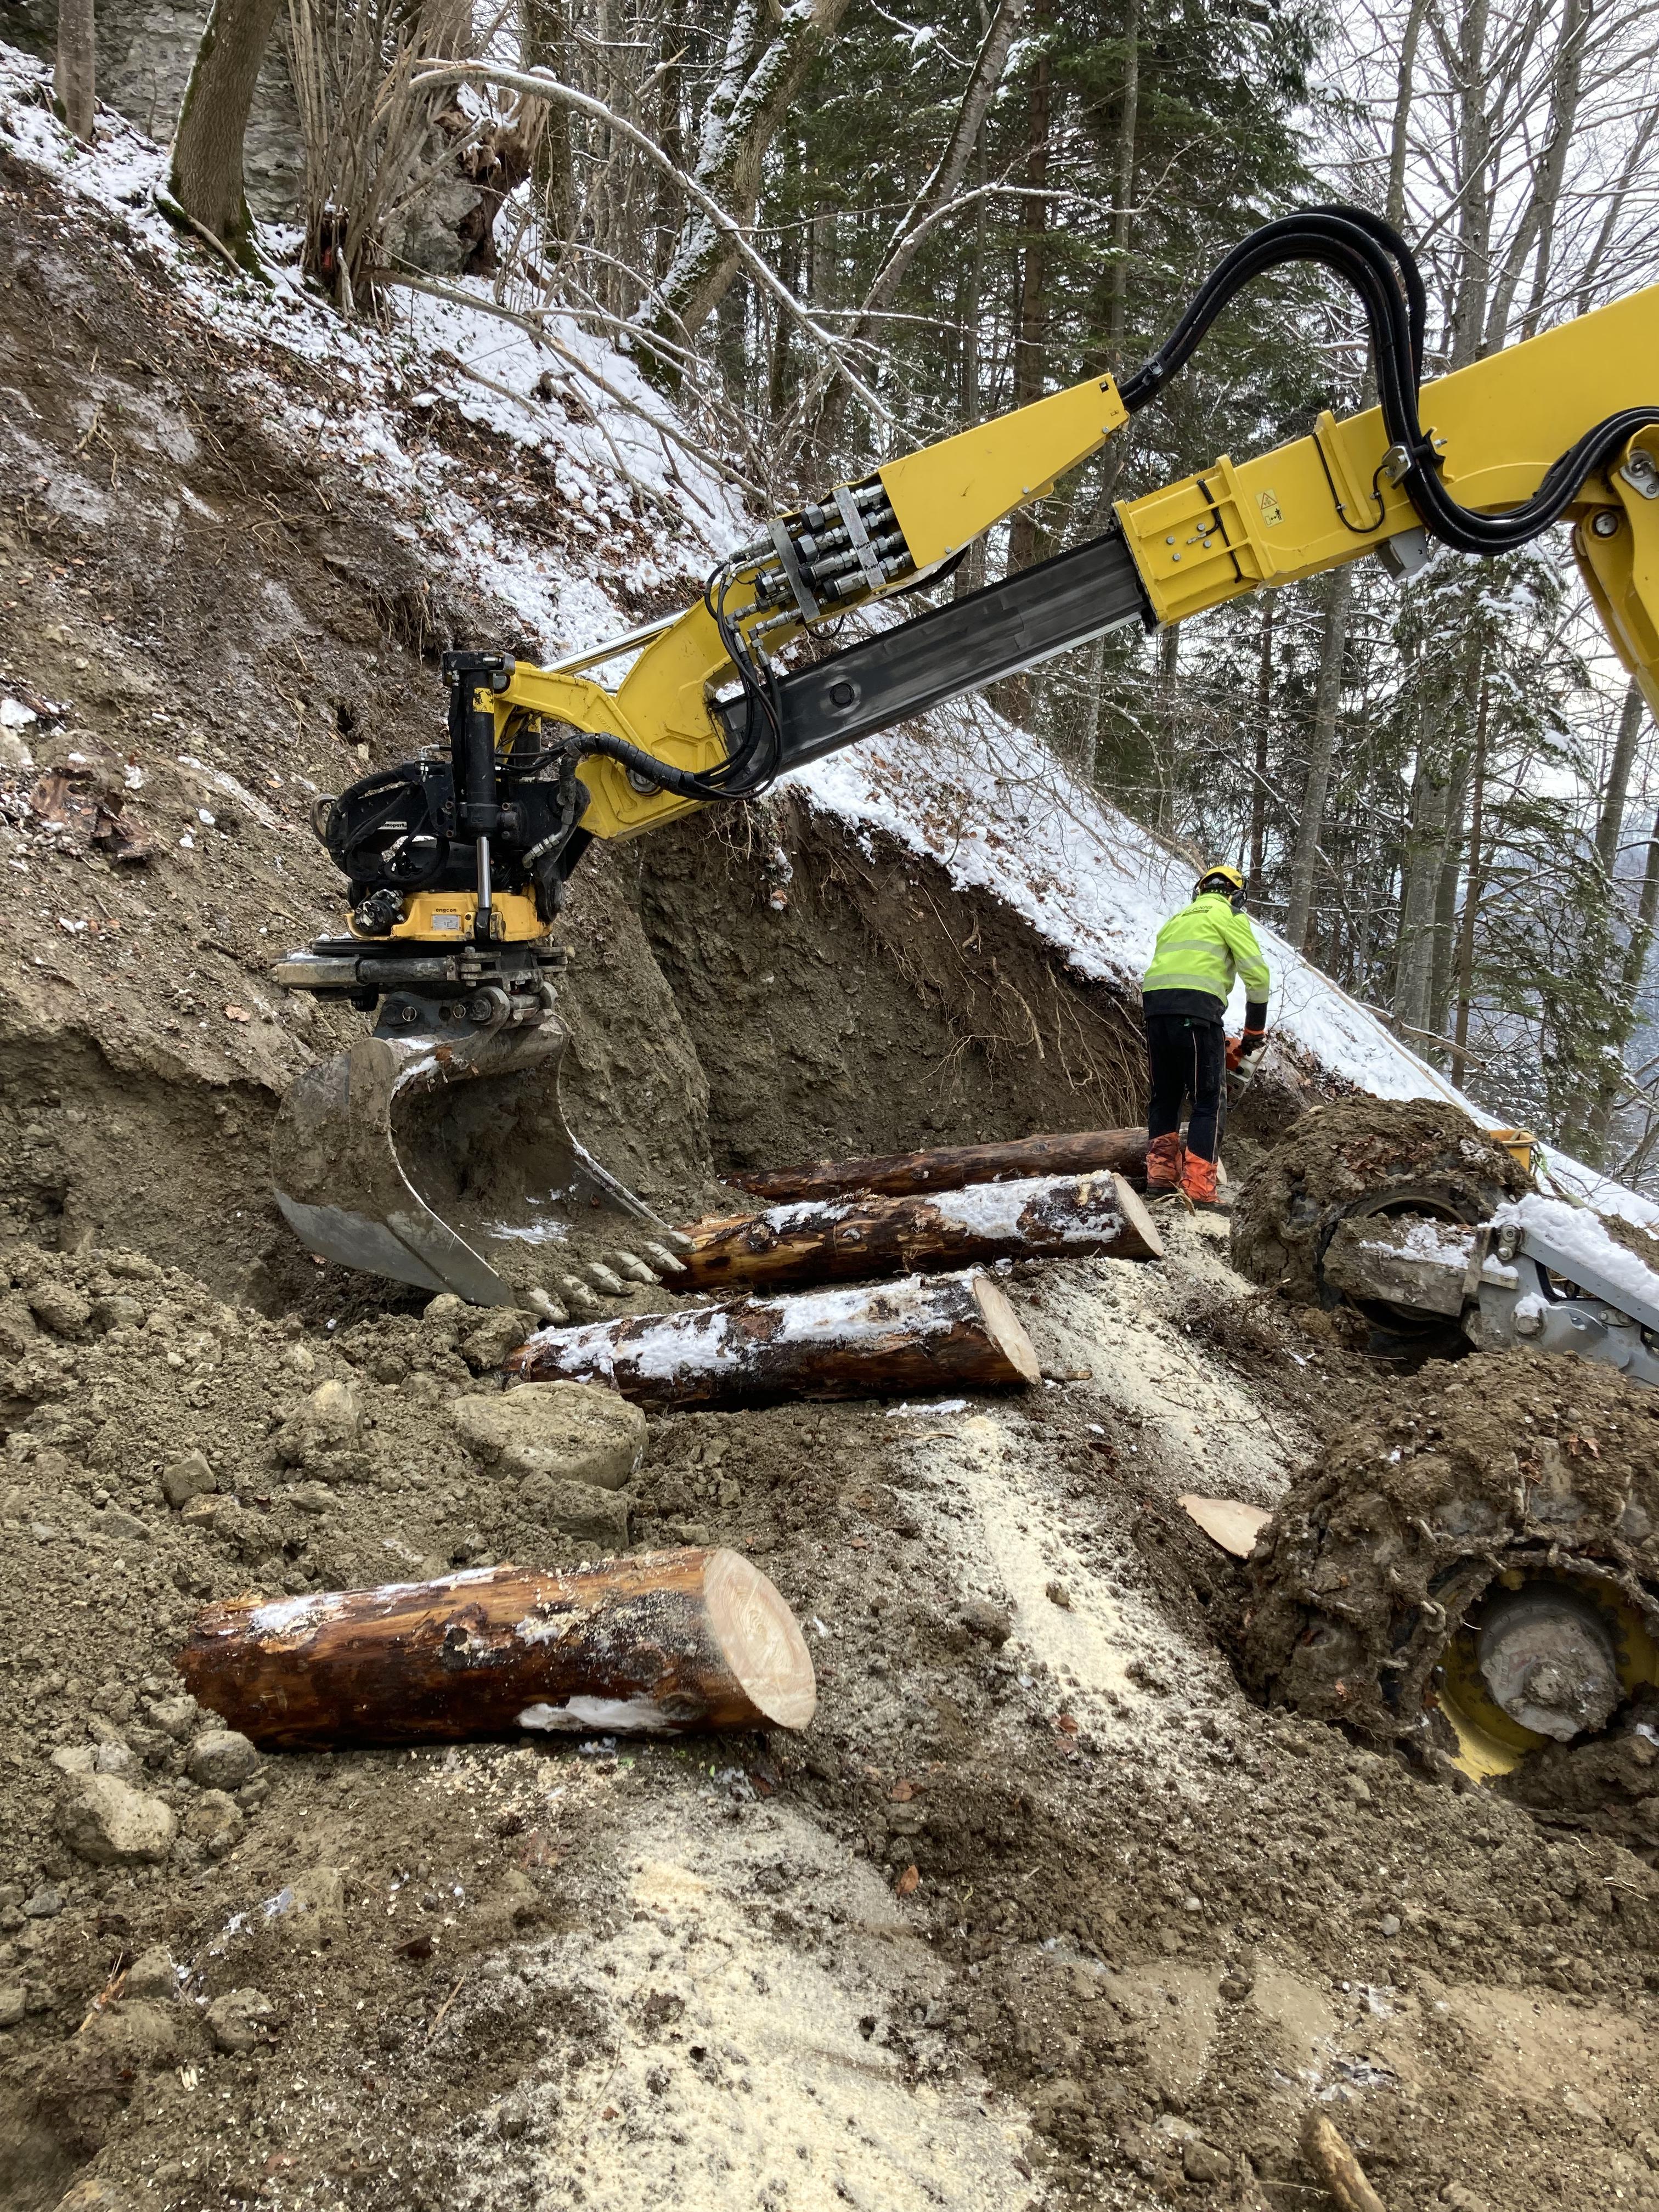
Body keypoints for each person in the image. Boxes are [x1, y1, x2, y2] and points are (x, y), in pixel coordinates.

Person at [1139, 863, 1272, 1205]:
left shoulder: (1178, 918)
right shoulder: (1229, 915)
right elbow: (1257, 976)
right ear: (1237, 895)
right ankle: (1199, 1189)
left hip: (1156, 1011)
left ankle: (1160, 1176)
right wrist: (1254, 1030)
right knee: (1206, 1100)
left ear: (1201, 890)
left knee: (1165, 1094)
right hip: (1197, 1012)